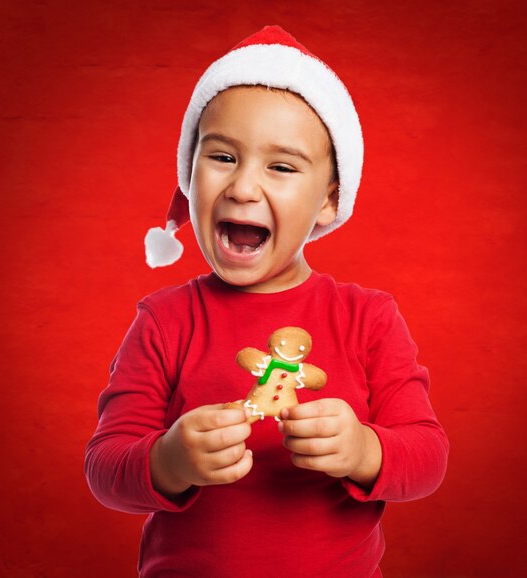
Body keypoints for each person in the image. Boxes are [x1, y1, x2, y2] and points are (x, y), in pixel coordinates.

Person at [85, 25, 449, 578]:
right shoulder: (163, 320)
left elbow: (428, 456)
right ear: (189, 178)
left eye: (280, 166)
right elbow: (105, 467)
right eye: (223, 157)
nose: (243, 188)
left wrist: (363, 450)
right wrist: (168, 460)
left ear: (330, 201)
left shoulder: (368, 317)